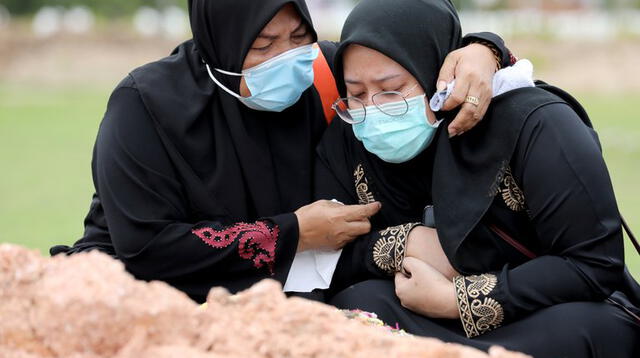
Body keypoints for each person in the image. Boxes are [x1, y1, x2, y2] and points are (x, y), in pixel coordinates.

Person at [49, 0, 513, 303]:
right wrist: (291, 232)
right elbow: (144, 247)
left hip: (289, 292)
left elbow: (415, 50)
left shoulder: (326, 74)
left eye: (298, 37)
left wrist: (482, 50)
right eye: (263, 44)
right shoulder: (145, 104)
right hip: (152, 292)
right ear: (221, 43)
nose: (287, 58)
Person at [313, 0, 640, 356]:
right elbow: (327, 258)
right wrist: (403, 243)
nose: (372, 109)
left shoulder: (534, 125)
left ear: (440, 74)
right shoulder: (348, 142)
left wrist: (457, 300)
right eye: (356, 93)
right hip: (423, 318)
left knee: (595, 327)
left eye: (391, 89)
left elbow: (593, 264)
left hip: (542, 314)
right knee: (357, 303)